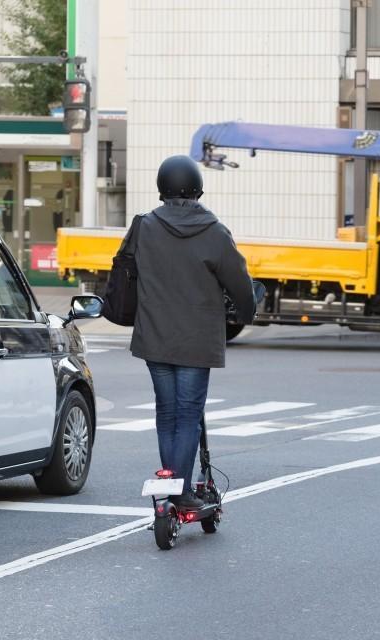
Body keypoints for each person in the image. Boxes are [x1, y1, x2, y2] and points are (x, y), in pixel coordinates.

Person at [130, 155, 255, 509]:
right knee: (188, 416)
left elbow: (127, 271)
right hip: (196, 342)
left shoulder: (144, 226)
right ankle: (181, 493)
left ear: (161, 188)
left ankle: (170, 485)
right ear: (198, 188)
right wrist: (247, 312)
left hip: (154, 337)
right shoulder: (215, 232)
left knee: (166, 413)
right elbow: (240, 284)